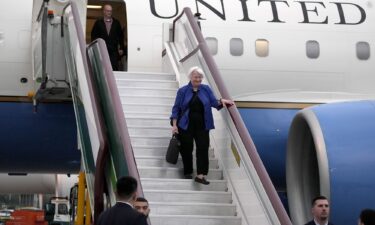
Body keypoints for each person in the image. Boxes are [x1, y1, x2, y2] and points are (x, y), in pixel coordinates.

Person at [170, 66, 234, 185]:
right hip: (185, 125)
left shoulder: (206, 89)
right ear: (190, 77)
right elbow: (176, 109)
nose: (198, 79)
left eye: (200, 77)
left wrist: (222, 101)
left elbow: (214, 102)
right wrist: (174, 125)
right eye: (196, 77)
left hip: (203, 125)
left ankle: (201, 175)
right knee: (186, 149)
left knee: (203, 149)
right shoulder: (183, 91)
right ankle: (188, 172)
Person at [91, 4, 125, 71]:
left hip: (113, 51)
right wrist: (95, 48)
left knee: (113, 68)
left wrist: (121, 47)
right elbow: (94, 36)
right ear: (104, 11)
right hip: (102, 50)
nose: (109, 12)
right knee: (102, 68)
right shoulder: (98, 23)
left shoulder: (116, 23)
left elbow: (121, 36)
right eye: (108, 11)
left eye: (110, 11)